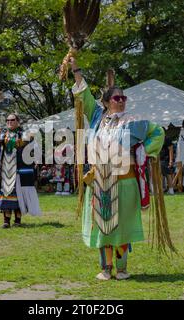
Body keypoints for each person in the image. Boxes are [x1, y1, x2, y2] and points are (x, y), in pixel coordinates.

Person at [70, 56, 174, 281]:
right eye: (117, 97)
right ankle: (106, 268)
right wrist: (75, 68)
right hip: (100, 181)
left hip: (125, 181)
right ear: (107, 102)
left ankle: (122, 268)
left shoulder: (134, 121)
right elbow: (83, 94)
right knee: (103, 225)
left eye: (124, 97)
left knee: (122, 226)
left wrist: (142, 152)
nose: (122, 101)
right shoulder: (97, 117)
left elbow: (158, 133)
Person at [0, 111, 41, 228]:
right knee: (6, 196)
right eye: (7, 120)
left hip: (19, 170)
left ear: (18, 122)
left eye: (12, 120)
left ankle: (18, 220)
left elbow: (35, 146)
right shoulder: (1, 135)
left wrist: (36, 159)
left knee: (18, 196)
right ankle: (6, 221)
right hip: (5, 171)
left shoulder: (24, 134)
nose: (9, 122)